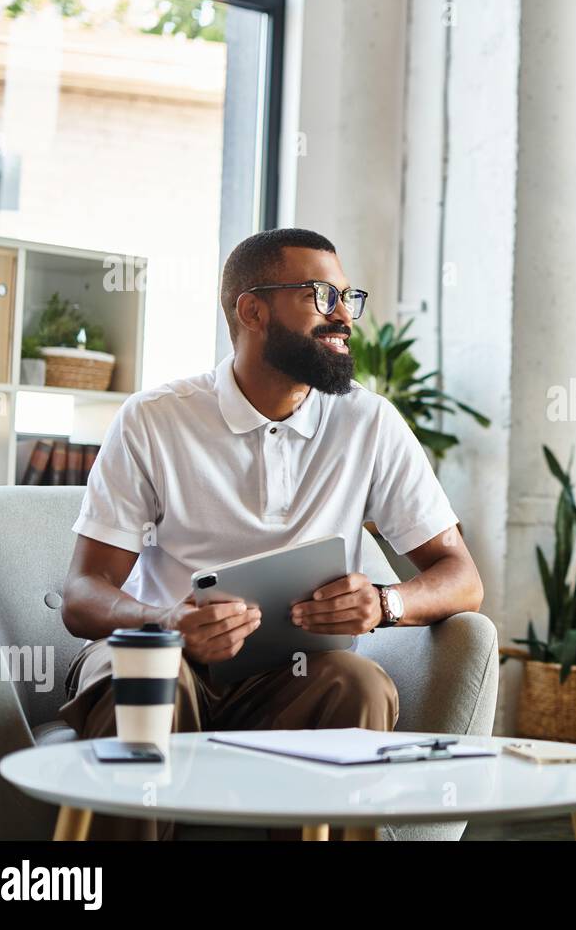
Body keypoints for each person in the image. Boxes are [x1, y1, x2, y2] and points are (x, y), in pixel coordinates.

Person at [59, 227, 483, 839]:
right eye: (320, 295)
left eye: (347, 297)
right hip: (164, 658)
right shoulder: (155, 420)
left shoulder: (369, 422)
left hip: (292, 678)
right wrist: (166, 622)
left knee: (358, 681)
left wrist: (386, 603)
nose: (343, 316)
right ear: (251, 310)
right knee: (148, 675)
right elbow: (82, 593)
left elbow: (461, 576)